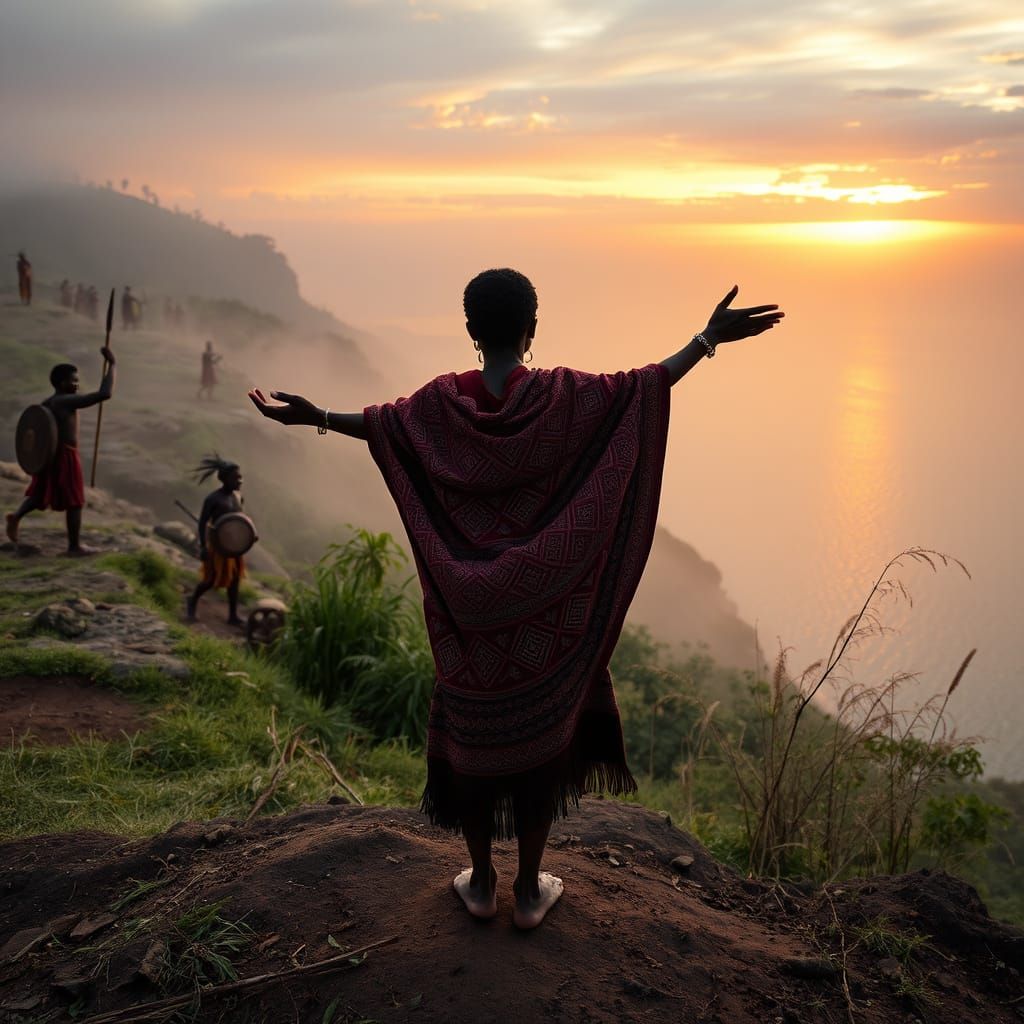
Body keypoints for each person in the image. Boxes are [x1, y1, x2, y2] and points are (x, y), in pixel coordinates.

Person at [249, 269, 783, 929]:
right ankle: (529, 891)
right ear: (532, 328)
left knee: (471, 734)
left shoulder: (441, 406)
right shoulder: (562, 398)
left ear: (471, 330)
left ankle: (480, 883)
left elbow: (386, 428)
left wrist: (316, 417)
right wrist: (706, 340)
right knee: (541, 740)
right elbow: (643, 388)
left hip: (466, 616)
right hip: (544, 614)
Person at [6, 348, 117, 555]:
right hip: (64, 455)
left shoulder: (49, 402)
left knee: (40, 493)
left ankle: (16, 516)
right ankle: (74, 547)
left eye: (77, 381)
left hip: (51, 455)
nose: (76, 385)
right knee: (75, 501)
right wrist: (112, 365)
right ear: (61, 383)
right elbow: (104, 394)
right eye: (73, 381)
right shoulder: (63, 401)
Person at [185, 455, 246, 626]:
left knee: (235, 579)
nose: (240, 481)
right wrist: (203, 547)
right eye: (235, 478)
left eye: (240, 477)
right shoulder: (213, 499)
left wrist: (249, 536)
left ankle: (232, 616)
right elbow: (203, 522)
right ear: (224, 479)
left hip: (234, 545)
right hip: (218, 544)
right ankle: (192, 600)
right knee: (211, 579)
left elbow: (241, 520)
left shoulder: (238, 496)